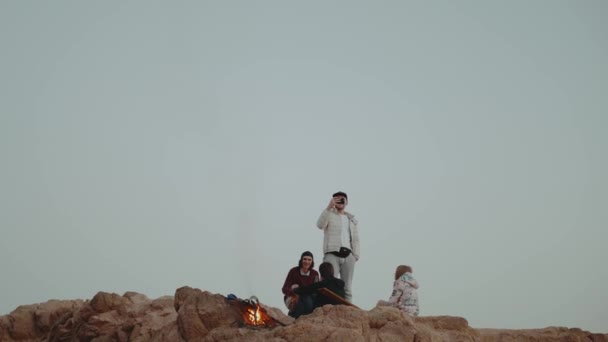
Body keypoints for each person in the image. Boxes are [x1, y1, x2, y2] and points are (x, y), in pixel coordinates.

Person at [316, 191, 360, 302]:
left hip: (348, 255)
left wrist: (355, 256)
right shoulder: (329, 214)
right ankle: (329, 309)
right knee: (330, 284)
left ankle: (349, 311)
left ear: (347, 202)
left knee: (348, 287)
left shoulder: (351, 219)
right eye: (337, 199)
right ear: (333, 201)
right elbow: (320, 225)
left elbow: (355, 238)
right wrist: (328, 207)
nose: (340, 201)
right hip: (332, 253)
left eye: (342, 199)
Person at [281, 251, 319, 318]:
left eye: (309, 260)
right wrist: (293, 291)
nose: (307, 262)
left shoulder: (315, 274)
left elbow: (316, 290)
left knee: (308, 300)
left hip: (308, 298)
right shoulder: (293, 271)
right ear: (301, 260)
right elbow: (285, 288)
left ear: (312, 262)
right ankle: (294, 317)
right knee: (301, 301)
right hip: (294, 296)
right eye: (305, 259)